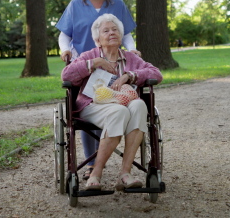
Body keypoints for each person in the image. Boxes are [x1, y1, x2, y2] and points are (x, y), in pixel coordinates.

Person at [56, 0, 140, 181]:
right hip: (85, 65)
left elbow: (128, 34)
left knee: (120, 104)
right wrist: (65, 50)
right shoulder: (76, 5)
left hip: (112, 64)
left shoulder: (117, 4)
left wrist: (132, 50)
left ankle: (121, 167)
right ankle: (91, 164)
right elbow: (65, 34)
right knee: (86, 108)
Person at [61, 14, 163, 191]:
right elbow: (66, 75)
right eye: (106, 31)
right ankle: (95, 174)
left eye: (115, 29)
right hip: (93, 106)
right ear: (98, 40)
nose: (111, 33)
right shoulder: (89, 55)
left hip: (124, 104)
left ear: (121, 35)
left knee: (139, 105)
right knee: (119, 111)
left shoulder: (131, 59)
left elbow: (156, 73)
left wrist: (130, 76)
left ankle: (125, 173)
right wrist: (93, 63)